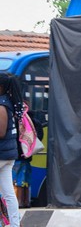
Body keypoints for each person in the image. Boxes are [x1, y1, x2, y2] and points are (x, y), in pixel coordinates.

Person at [0, 73, 22, 227]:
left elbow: (1, 132)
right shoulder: (9, 102)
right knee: (8, 193)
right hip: (8, 155)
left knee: (8, 193)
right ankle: (14, 224)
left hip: (1, 154)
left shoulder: (1, 105)